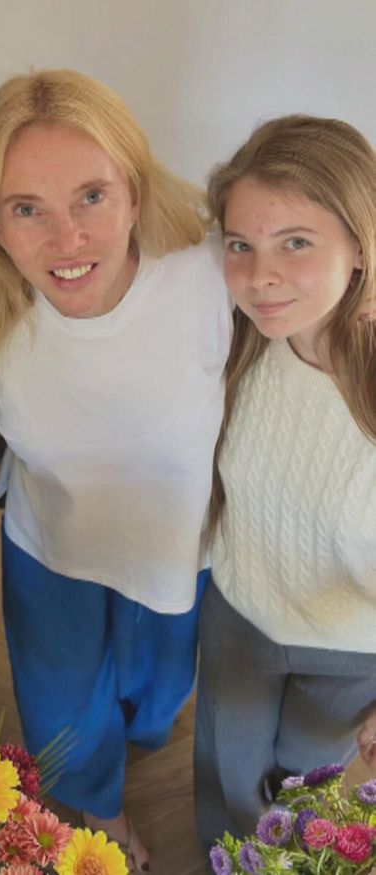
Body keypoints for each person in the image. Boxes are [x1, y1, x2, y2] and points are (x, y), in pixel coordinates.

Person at [0, 69, 232, 871]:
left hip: (178, 547)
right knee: (64, 707)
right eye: (26, 208)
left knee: (160, 694)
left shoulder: (208, 272)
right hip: (53, 548)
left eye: (91, 197)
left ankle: (140, 730)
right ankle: (101, 808)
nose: (66, 238)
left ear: (134, 193)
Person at [194, 114, 376, 846]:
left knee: (308, 799)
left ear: (359, 245)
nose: (258, 275)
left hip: (353, 649)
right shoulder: (238, 335)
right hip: (239, 612)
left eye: (295, 242)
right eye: (241, 244)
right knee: (227, 776)